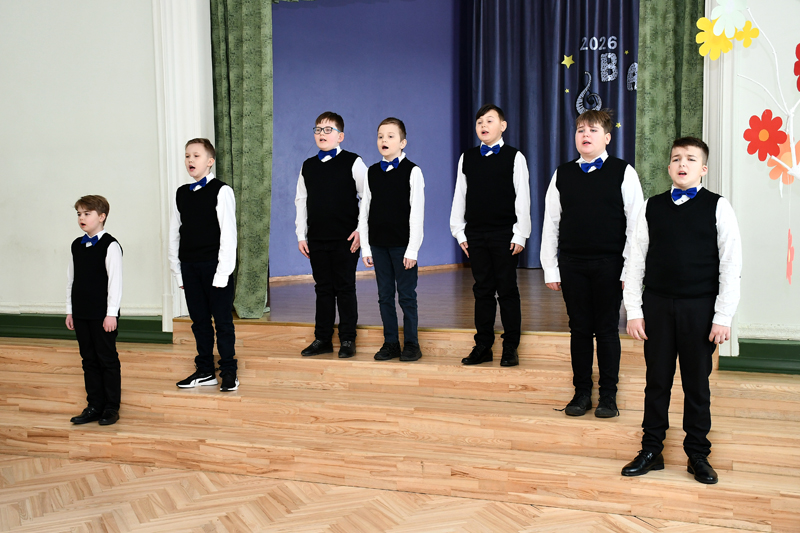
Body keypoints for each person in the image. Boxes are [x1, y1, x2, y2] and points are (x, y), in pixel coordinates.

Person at [621, 137, 741, 485]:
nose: (682, 164)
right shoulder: (651, 206)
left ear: (703, 168)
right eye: (676, 158)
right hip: (657, 306)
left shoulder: (718, 207)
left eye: (690, 159)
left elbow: (731, 264)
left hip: (700, 309)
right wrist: (634, 310)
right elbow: (635, 260)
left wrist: (723, 316)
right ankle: (651, 450)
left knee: (696, 385)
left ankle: (698, 454)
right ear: (669, 167)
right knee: (656, 382)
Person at [540, 109, 644, 418]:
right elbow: (551, 223)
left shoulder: (624, 172)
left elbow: (636, 226)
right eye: (581, 130)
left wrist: (629, 270)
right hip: (572, 264)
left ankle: (608, 395)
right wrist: (550, 267)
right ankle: (581, 392)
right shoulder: (562, 174)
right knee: (580, 329)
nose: (585, 135)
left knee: (607, 329)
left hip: (610, 264)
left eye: (593, 130)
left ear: (607, 138)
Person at [450, 103, 531, 367]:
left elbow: (523, 198)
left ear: (503, 126)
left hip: (505, 234)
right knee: (482, 290)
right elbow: (460, 195)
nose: (483, 125)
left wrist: (520, 234)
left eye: (489, 120)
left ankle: (510, 346)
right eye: (479, 122)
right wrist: (459, 231)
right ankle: (483, 344)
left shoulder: (515, 157)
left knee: (507, 289)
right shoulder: (467, 157)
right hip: (475, 234)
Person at [295, 111, 367, 358]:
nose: (322, 134)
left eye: (328, 130)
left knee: (345, 287)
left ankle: (347, 338)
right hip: (316, 238)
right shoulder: (308, 166)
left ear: (340, 136)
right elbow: (301, 201)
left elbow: (368, 197)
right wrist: (301, 235)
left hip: (346, 238)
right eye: (318, 130)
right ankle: (323, 338)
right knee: (323, 288)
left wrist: (361, 230)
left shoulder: (353, 162)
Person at [170, 138, 239, 392]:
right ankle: (205, 371)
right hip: (189, 267)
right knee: (199, 322)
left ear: (210, 161)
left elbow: (229, 235)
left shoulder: (222, 191)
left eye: (196, 156)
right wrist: (178, 271)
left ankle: (229, 371)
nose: (190, 160)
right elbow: (174, 233)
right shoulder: (181, 193)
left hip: (215, 267)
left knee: (222, 322)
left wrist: (222, 273)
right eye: (187, 156)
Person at [359, 117, 425, 362]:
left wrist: (412, 249)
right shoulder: (371, 172)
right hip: (378, 245)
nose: (384, 140)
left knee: (406, 295)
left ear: (402, 142)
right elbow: (365, 211)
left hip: (402, 246)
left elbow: (417, 213)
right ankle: (390, 342)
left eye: (390, 136)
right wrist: (366, 247)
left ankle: (412, 344)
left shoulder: (413, 171)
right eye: (380, 136)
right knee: (384, 295)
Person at [66, 195, 123, 426]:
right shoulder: (76, 245)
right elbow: (71, 280)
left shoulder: (110, 245)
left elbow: (115, 283)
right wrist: (70, 310)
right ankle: (94, 405)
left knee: (106, 359)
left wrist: (111, 313)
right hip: (81, 313)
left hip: (102, 315)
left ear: (101, 217)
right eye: (79, 214)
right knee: (88, 359)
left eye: (87, 213)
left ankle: (111, 407)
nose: (82, 218)